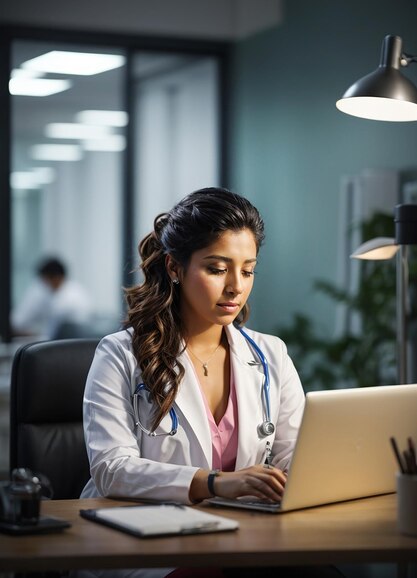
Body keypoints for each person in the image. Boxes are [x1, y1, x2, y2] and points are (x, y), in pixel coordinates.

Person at [79, 188, 340, 578]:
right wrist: (217, 483)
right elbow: (111, 468)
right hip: (150, 541)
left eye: (248, 270)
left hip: (247, 536)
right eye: (218, 269)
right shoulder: (119, 354)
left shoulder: (271, 355)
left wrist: (303, 478)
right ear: (174, 268)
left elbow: (292, 457)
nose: (236, 285)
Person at [11, 257, 93, 339]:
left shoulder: (68, 298)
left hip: (64, 344)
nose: (44, 284)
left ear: (56, 278)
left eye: (45, 280)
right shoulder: (74, 290)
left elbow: (50, 333)